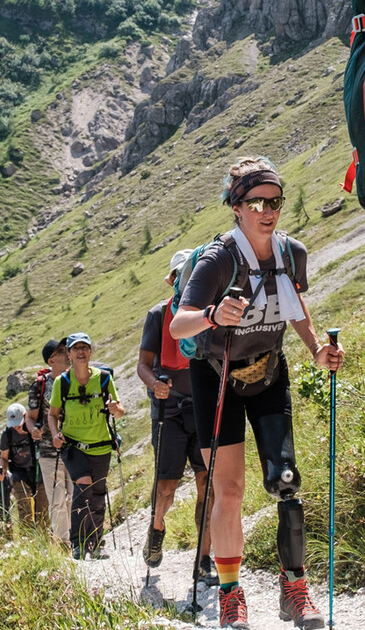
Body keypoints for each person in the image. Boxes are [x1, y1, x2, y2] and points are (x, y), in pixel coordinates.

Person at [169, 157, 345, 630]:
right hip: (216, 376)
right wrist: (211, 316)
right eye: (257, 202)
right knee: (228, 490)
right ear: (237, 207)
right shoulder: (217, 258)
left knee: (285, 478)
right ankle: (231, 596)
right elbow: (178, 323)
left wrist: (316, 350)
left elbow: (294, 303)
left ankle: (295, 591)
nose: (268, 210)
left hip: (269, 372)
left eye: (275, 201)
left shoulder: (292, 252)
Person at [136, 248, 215, 583]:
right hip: (168, 409)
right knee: (167, 485)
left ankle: (204, 558)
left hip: (203, 407)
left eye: (191, 273)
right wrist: (155, 384)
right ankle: (156, 529)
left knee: (206, 483)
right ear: (172, 280)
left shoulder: (208, 313)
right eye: (180, 274)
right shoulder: (157, 314)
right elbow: (143, 363)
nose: (185, 279)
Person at [48, 332, 125, 560]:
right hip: (73, 446)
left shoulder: (103, 379)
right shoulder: (62, 383)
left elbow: (120, 411)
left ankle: (96, 543)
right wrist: (54, 434)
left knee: (98, 494)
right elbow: (52, 415)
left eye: (85, 347)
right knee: (83, 487)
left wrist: (116, 409)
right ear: (69, 354)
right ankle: (78, 544)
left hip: (101, 445)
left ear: (90, 352)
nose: (81, 352)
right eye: (76, 348)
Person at [29, 338, 73, 543]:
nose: (67, 354)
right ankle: (63, 543)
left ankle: (76, 539)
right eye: (62, 351)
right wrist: (32, 430)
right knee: (57, 500)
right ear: (51, 360)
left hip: (75, 447)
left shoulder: (75, 379)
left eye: (66, 350)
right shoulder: (40, 385)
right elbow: (30, 417)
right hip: (47, 450)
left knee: (74, 496)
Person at [0, 402, 45, 527]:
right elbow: (4, 458)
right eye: (13, 425)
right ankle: (29, 540)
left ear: (25, 417)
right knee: (25, 512)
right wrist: (2, 469)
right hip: (19, 475)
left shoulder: (34, 429)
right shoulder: (7, 435)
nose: (16, 428)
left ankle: (45, 540)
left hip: (39, 471)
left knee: (42, 511)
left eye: (18, 424)